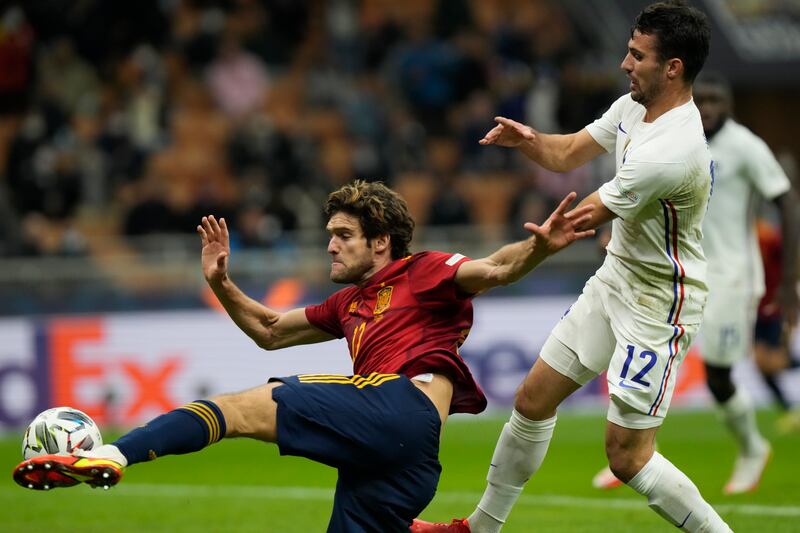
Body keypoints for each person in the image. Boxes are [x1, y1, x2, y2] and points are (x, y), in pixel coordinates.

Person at [13, 180, 595, 532]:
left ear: (381, 242)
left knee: (237, 409)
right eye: (330, 233)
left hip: (402, 406)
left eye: (343, 234)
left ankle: (113, 454)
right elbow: (268, 329)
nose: (330, 244)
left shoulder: (423, 272)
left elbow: (494, 268)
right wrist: (221, 284)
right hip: (400, 463)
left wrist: (537, 249)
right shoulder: (346, 304)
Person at [412, 3, 733, 532]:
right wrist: (531, 141)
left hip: (658, 303)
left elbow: (587, 214)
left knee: (627, 457)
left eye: (637, 55)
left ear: (672, 67)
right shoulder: (634, 108)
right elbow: (568, 154)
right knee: (532, 399)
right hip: (615, 279)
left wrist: (534, 246)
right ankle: (481, 528)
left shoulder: (673, 149)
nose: (624, 64)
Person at [592, 72, 800, 493]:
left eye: (715, 101)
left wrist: (789, 278)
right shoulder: (678, 137)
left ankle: (751, 447)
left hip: (729, 276)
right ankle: (636, 453)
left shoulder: (745, 147)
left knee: (719, 376)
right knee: (648, 359)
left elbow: (786, 199)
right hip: (676, 269)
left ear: (729, 105)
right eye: (700, 99)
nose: (706, 108)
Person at [754, 219, 800, 432]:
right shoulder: (748, 237)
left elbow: (791, 259)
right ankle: (790, 410)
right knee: (762, 365)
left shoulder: (769, 237)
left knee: (772, 363)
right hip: (756, 309)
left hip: (774, 307)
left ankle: (791, 410)